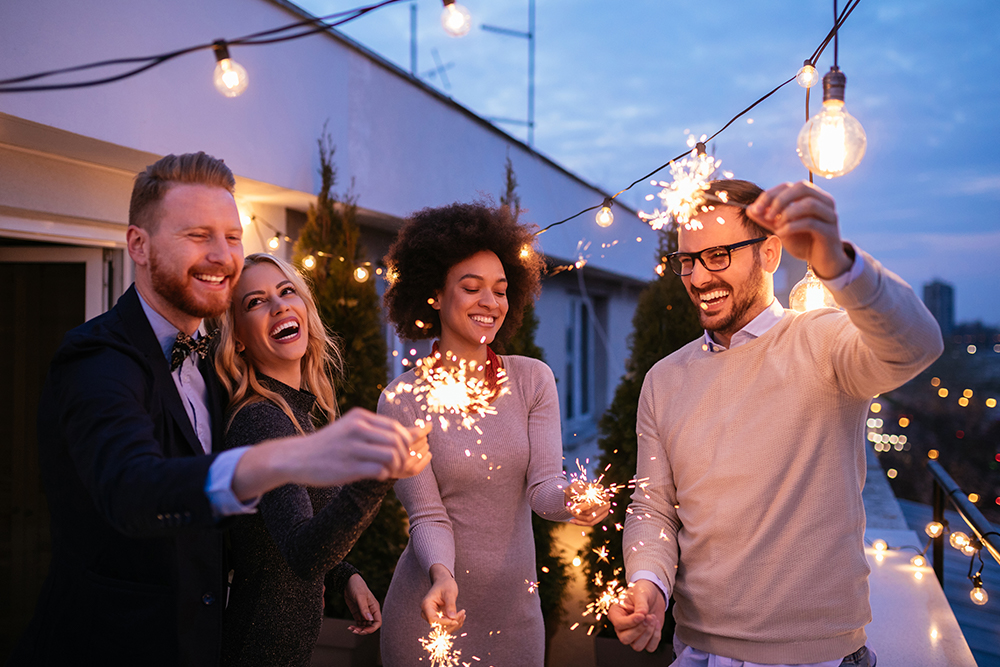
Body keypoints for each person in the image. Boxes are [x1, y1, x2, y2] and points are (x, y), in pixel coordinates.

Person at [10, 153, 428, 667]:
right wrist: (288, 458)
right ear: (137, 245)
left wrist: (341, 573)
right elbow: (132, 489)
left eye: (232, 237)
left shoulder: (214, 369)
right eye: (197, 235)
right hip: (109, 647)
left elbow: (257, 532)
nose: (222, 255)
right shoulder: (98, 357)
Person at [609, 180, 943, 667]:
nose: (698, 277)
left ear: (769, 253)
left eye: (718, 255)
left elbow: (918, 344)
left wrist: (839, 263)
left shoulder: (823, 342)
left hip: (818, 657)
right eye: (687, 260)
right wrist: (649, 582)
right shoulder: (664, 380)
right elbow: (653, 507)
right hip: (697, 651)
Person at [377, 202, 610, 666]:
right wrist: (442, 576)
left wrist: (572, 500)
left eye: (501, 291)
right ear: (435, 296)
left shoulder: (532, 380)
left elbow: (544, 487)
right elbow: (428, 517)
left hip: (516, 624)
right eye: (471, 288)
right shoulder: (401, 400)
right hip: (430, 614)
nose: (491, 303)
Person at [214, 253, 429, 666]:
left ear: (305, 310)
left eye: (286, 291)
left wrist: (344, 574)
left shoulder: (296, 412)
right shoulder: (262, 419)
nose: (279, 306)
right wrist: (376, 477)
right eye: (255, 301)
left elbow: (279, 535)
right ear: (238, 336)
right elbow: (303, 552)